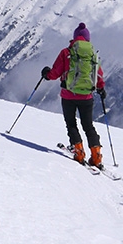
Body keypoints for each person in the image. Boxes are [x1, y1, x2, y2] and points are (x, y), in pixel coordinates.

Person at [41, 22, 106, 167]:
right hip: (87, 97)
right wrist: (101, 89)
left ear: (75, 38)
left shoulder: (66, 52)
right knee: (88, 126)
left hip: (68, 95)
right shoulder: (92, 55)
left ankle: (79, 151)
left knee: (71, 124)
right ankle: (96, 155)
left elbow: (55, 73)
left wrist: (46, 74)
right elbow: (99, 75)